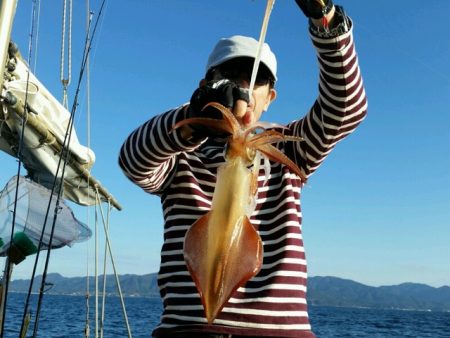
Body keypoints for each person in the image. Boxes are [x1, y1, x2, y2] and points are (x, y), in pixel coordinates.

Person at [119, 0, 367, 337]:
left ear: (270, 98)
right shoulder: (181, 156)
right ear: (207, 83)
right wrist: (194, 119)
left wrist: (327, 22)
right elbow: (133, 160)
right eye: (230, 77)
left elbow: (346, 108)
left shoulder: (290, 149)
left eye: (257, 81)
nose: (244, 89)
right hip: (190, 331)